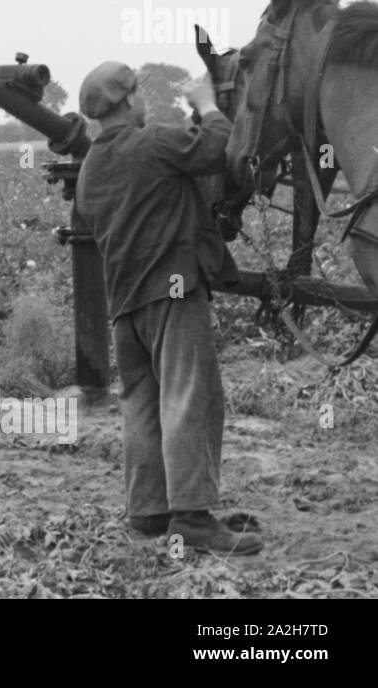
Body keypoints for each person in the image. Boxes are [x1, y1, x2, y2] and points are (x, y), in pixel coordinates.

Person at [75, 61, 257, 555]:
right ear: (126, 101)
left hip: (125, 308)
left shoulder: (90, 169)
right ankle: (194, 518)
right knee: (190, 396)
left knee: (142, 403)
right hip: (172, 292)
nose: (143, 101)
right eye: (138, 93)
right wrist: (207, 105)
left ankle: (150, 510)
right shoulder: (152, 142)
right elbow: (215, 149)